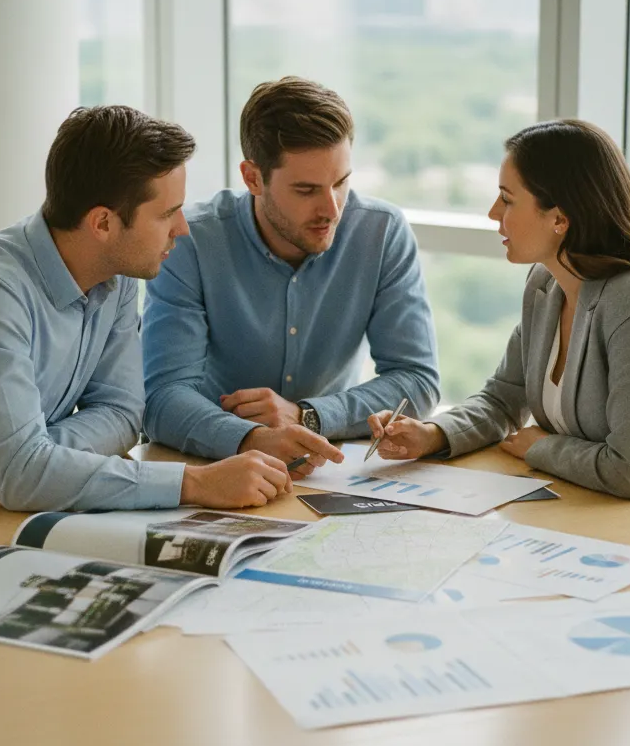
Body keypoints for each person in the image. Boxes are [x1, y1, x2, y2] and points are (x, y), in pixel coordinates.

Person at [0, 106, 294, 514]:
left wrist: (20, 461)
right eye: (167, 214)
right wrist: (194, 484)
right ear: (103, 223)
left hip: (5, 504)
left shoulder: (118, 273)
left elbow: (125, 415)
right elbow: (23, 473)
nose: (182, 229)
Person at [367, 118, 630, 527]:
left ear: (559, 218)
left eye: (507, 200)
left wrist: (540, 447)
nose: (494, 213)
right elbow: (501, 400)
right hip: (588, 513)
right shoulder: (546, 284)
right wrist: (432, 434)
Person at [141, 76, 440, 474]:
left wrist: (306, 416)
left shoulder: (381, 233)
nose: (332, 209)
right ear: (252, 178)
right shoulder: (190, 242)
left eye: (341, 182)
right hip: (215, 467)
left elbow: (416, 378)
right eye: (306, 190)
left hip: (333, 472)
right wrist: (249, 438)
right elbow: (163, 397)